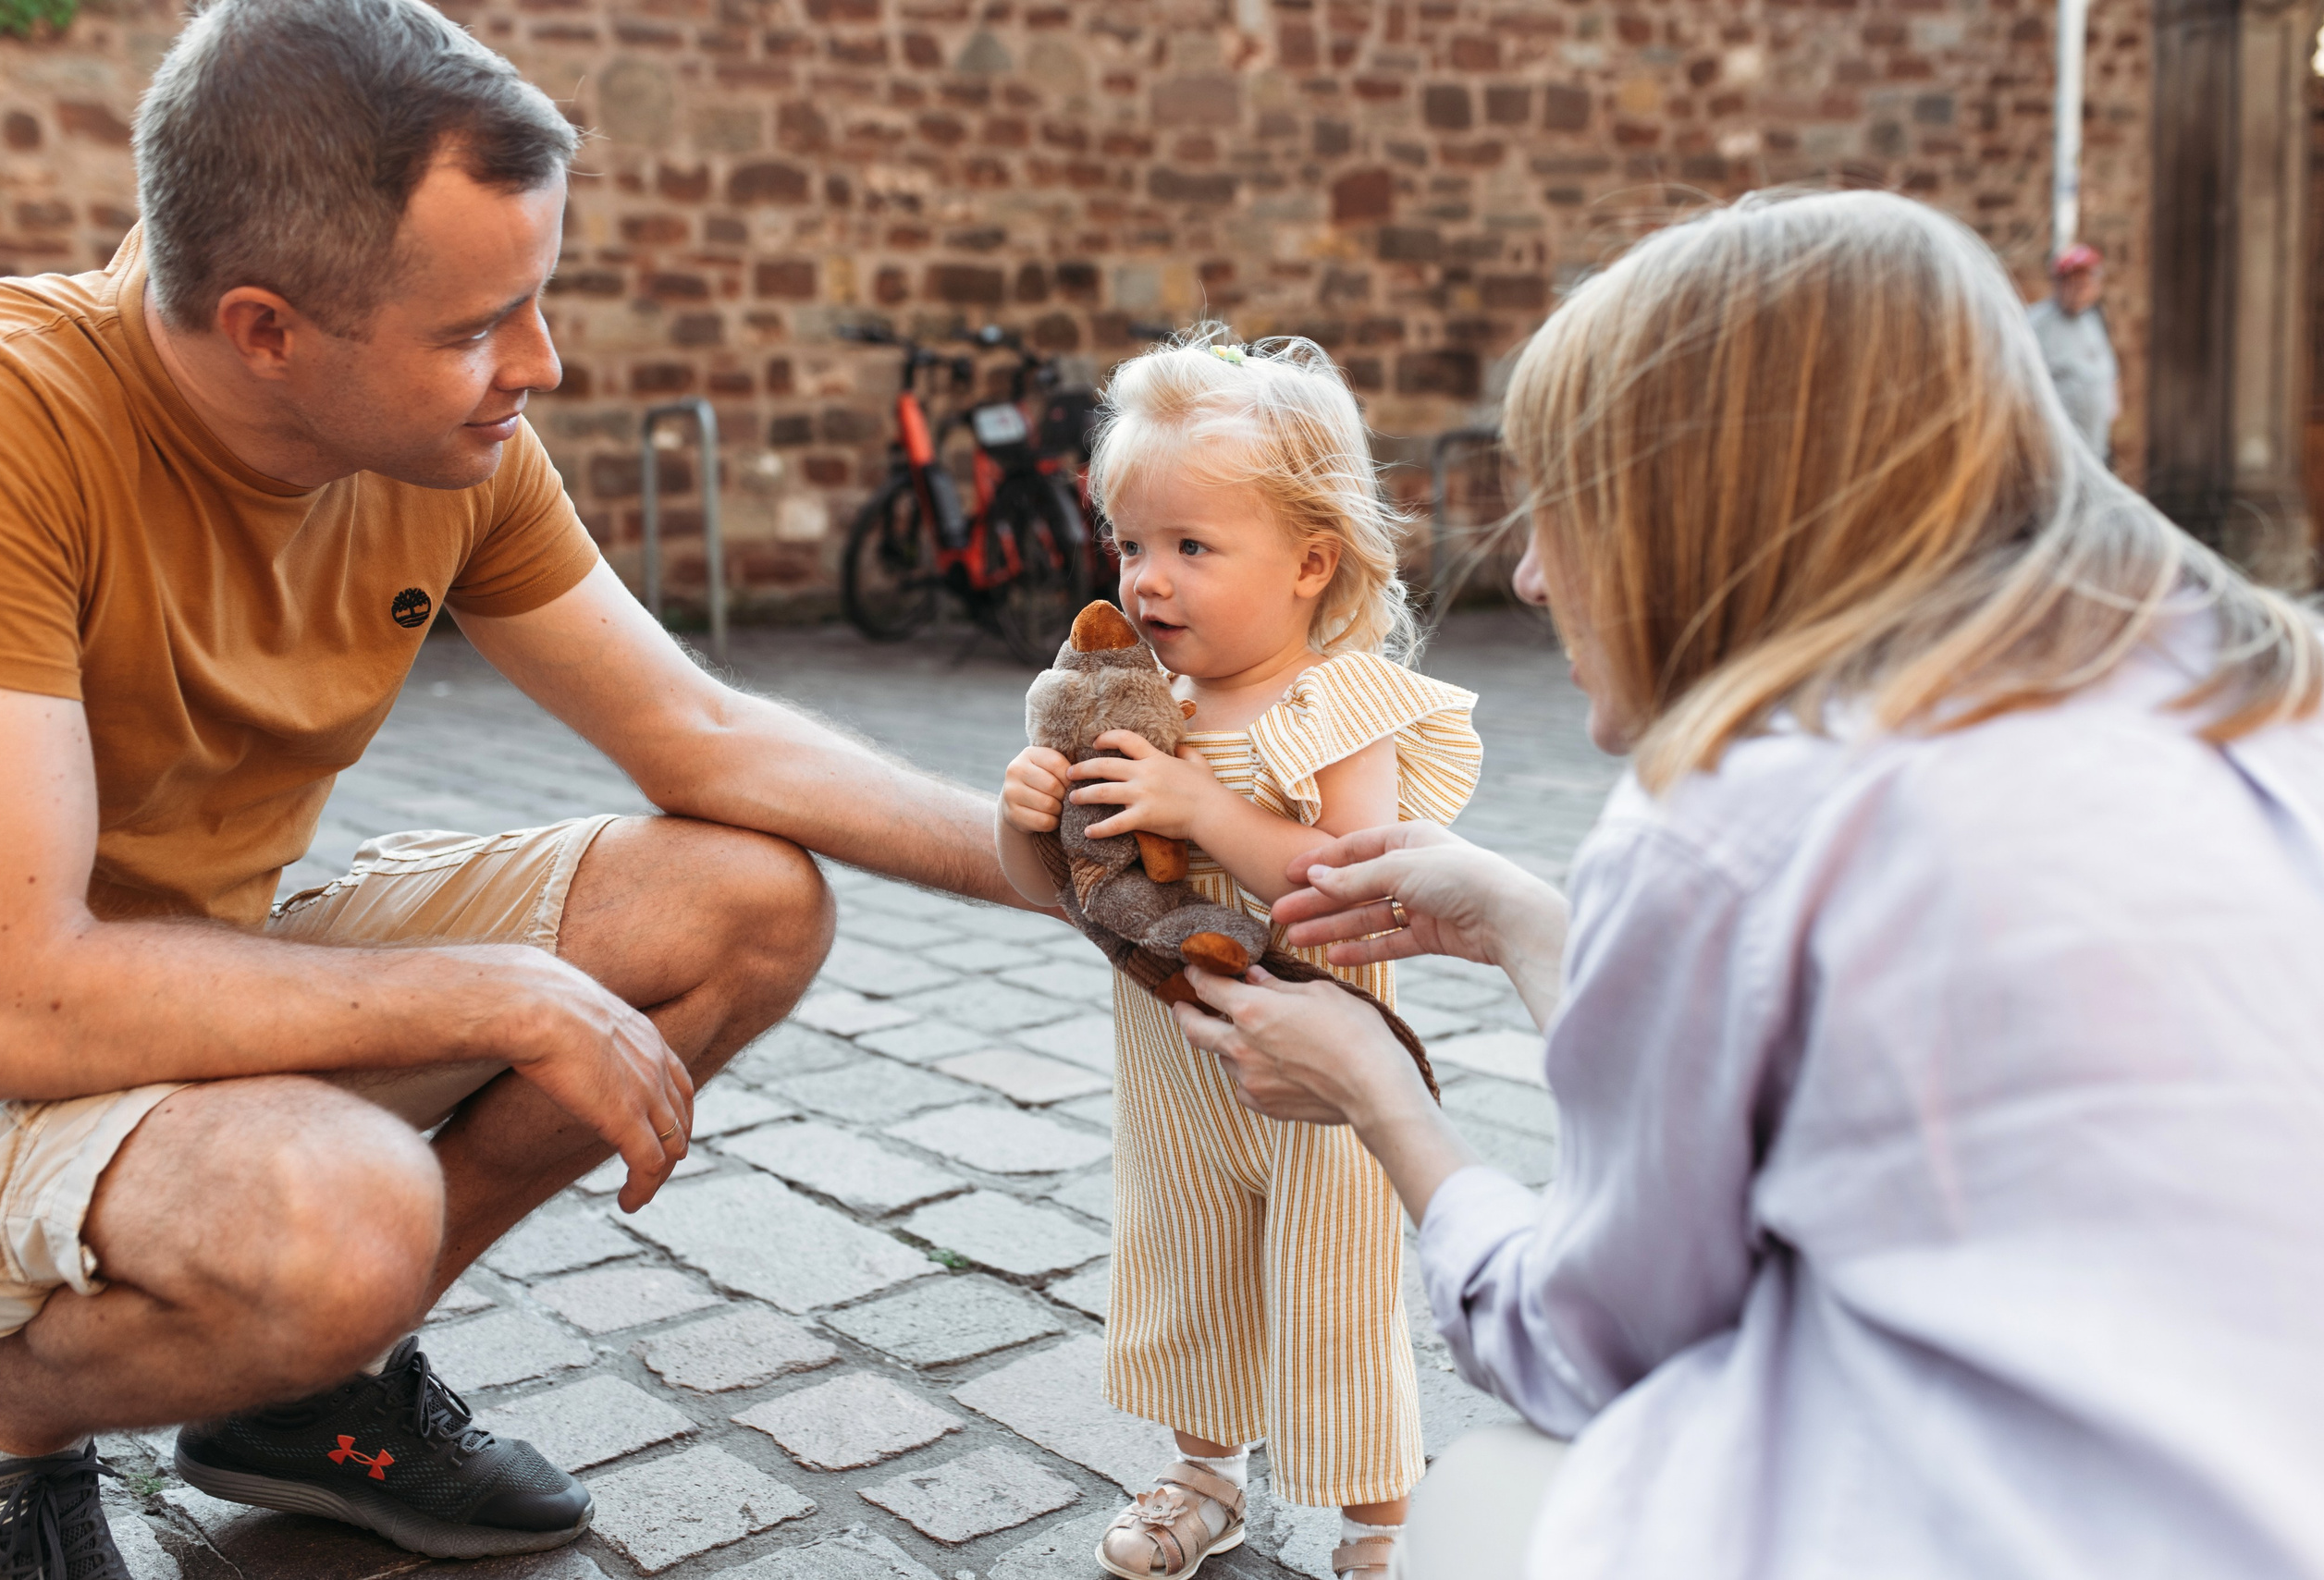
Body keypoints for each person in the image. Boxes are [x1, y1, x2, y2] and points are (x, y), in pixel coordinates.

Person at [0, 2, 1027, 1574]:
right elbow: (12, 999)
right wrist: (501, 995)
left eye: (536, 300)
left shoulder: (442, 444)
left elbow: (704, 731)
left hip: (174, 984)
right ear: (265, 328)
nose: (541, 362)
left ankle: (299, 1386)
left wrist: (1072, 865)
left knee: (741, 898)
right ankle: (0, 1429)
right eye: (479, 324)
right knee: (344, 1215)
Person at [1172, 190, 2324, 1578]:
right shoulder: (2258, 712)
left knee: (1490, 1503)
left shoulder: (1745, 809)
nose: (1532, 575)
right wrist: (1532, 920)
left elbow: (1579, 1344)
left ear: (1701, 509)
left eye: (1568, 505)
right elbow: (1819, 1080)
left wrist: (1377, 1091)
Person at [995, 335, 1482, 1580]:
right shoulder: (1135, 706)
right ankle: (1202, 1474)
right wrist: (1024, 816)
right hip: (1175, 1066)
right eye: (1130, 544)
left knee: (1332, 1289)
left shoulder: (1338, 702)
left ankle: (1376, 1528)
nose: (1149, 580)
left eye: (1191, 548)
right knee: (1191, 1262)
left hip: (1321, 1075)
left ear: (1311, 561)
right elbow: (1059, 888)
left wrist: (1199, 809)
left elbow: (1340, 877)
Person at [2025, 242, 2119, 463]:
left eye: (2085, 281)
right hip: (2057, 454)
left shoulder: (2093, 318)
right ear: (2058, 283)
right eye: (2072, 281)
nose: (2080, 288)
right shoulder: (2036, 324)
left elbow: (2108, 369)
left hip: (2096, 448)